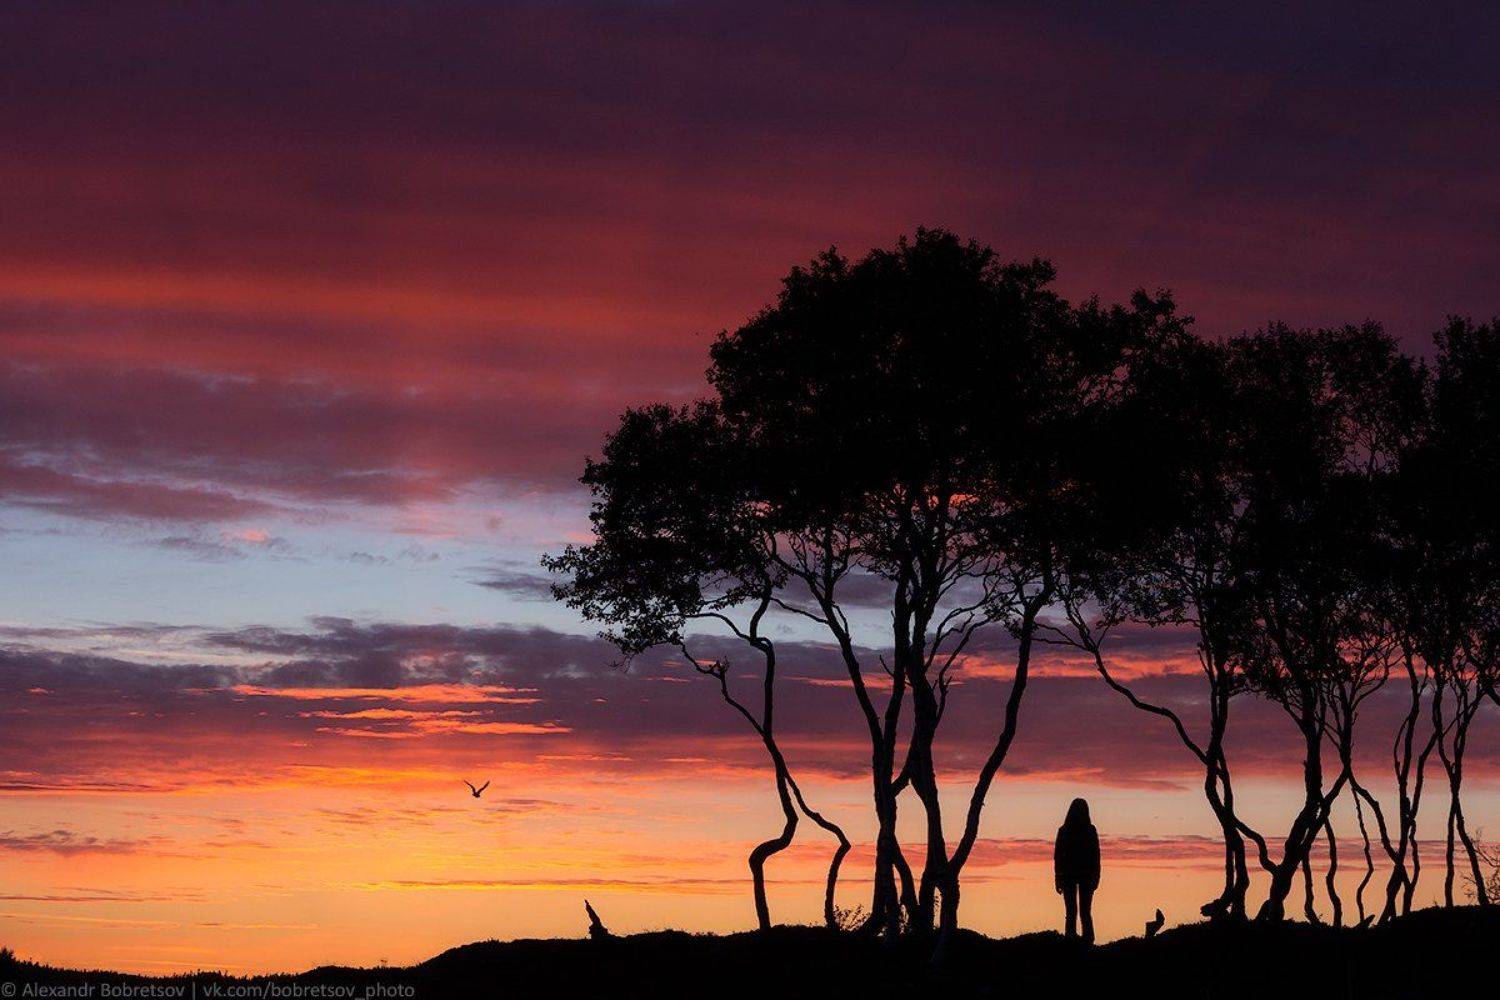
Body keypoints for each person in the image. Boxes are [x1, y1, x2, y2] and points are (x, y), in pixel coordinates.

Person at [1054, 797, 1100, 944]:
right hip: (1083, 875)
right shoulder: (1090, 830)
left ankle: (1072, 940)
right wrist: (1097, 876)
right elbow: (1096, 855)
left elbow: (1057, 857)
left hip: (1070, 875)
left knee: (1072, 911)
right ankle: (1086, 940)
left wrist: (1057, 878)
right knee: (1084, 911)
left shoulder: (1064, 830)